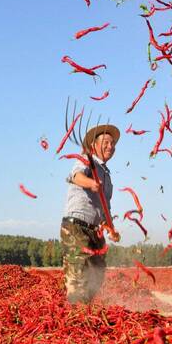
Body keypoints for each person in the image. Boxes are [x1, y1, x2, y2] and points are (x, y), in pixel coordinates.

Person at [60, 124, 121, 303]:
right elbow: (75, 176)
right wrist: (90, 183)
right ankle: (75, 315)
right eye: (106, 142)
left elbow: (105, 207)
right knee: (78, 272)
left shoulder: (106, 175)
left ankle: (84, 309)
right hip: (76, 226)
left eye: (113, 144)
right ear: (93, 145)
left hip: (95, 230)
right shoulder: (87, 160)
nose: (110, 146)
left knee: (98, 270)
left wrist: (111, 228)